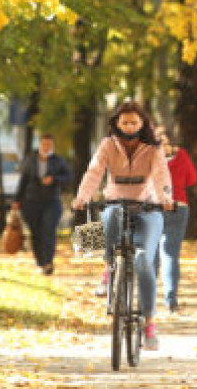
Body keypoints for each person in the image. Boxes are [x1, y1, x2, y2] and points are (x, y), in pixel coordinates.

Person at [72, 101, 174, 351]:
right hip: (116, 203)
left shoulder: (153, 149)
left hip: (147, 207)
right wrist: (83, 196)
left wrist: (165, 198)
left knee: (142, 261)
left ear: (143, 124)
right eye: (125, 122)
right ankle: (108, 270)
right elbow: (94, 172)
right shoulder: (108, 145)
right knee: (110, 215)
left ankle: (149, 323)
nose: (130, 126)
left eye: (135, 122)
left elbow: (161, 175)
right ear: (117, 123)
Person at [12, 133, 73, 276]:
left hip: (51, 202)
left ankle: (48, 262)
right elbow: (23, 181)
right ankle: (40, 262)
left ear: (52, 146)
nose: (46, 147)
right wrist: (17, 200)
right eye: (44, 144)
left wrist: (54, 179)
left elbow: (69, 177)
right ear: (39, 145)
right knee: (36, 233)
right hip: (31, 202)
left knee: (48, 231)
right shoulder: (30, 160)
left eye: (49, 144)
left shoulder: (58, 161)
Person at [154, 125, 197, 312]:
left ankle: (148, 297)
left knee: (152, 253)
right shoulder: (182, 155)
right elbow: (192, 180)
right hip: (178, 206)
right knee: (171, 254)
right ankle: (171, 299)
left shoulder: (150, 157)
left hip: (154, 206)